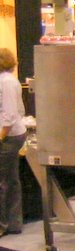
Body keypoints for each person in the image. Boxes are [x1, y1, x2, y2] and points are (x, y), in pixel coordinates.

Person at [0, 48, 26, 237]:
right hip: (14, 134)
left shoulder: (5, 82)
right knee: (11, 180)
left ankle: (2, 225)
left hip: (8, 136)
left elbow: (9, 115)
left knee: (3, 182)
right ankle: (13, 223)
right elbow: (20, 110)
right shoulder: (10, 80)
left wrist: (1, 137)